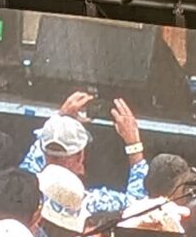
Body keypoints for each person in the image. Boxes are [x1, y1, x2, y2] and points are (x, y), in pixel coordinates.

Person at [20, 90, 148, 218]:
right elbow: (138, 206)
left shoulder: (25, 191)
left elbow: (31, 162)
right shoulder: (93, 204)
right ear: (81, 157)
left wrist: (59, 118)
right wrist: (134, 144)